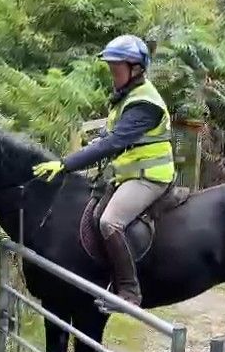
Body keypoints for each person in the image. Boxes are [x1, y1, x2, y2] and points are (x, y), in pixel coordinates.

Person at [32, 34, 175, 306]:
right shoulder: (126, 97)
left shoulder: (145, 103)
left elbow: (113, 143)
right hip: (129, 174)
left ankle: (130, 292)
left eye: (116, 68)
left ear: (136, 68)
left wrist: (65, 165)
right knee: (95, 212)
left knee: (110, 221)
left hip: (150, 177)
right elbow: (109, 137)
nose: (112, 74)